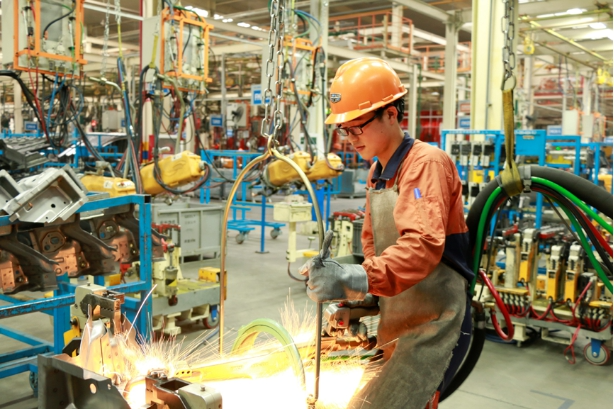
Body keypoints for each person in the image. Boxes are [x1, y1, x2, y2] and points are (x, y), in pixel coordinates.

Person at [300, 57, 474, 409]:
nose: (350, 139)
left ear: (391, 114)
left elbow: (421, 246)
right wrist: (356, 301)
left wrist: (355, 278)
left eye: (357, 127)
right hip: (396, 323)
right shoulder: (378, 174)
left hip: (434, 325)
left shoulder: (426, 164)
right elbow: (374, 250)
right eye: (344, 130)